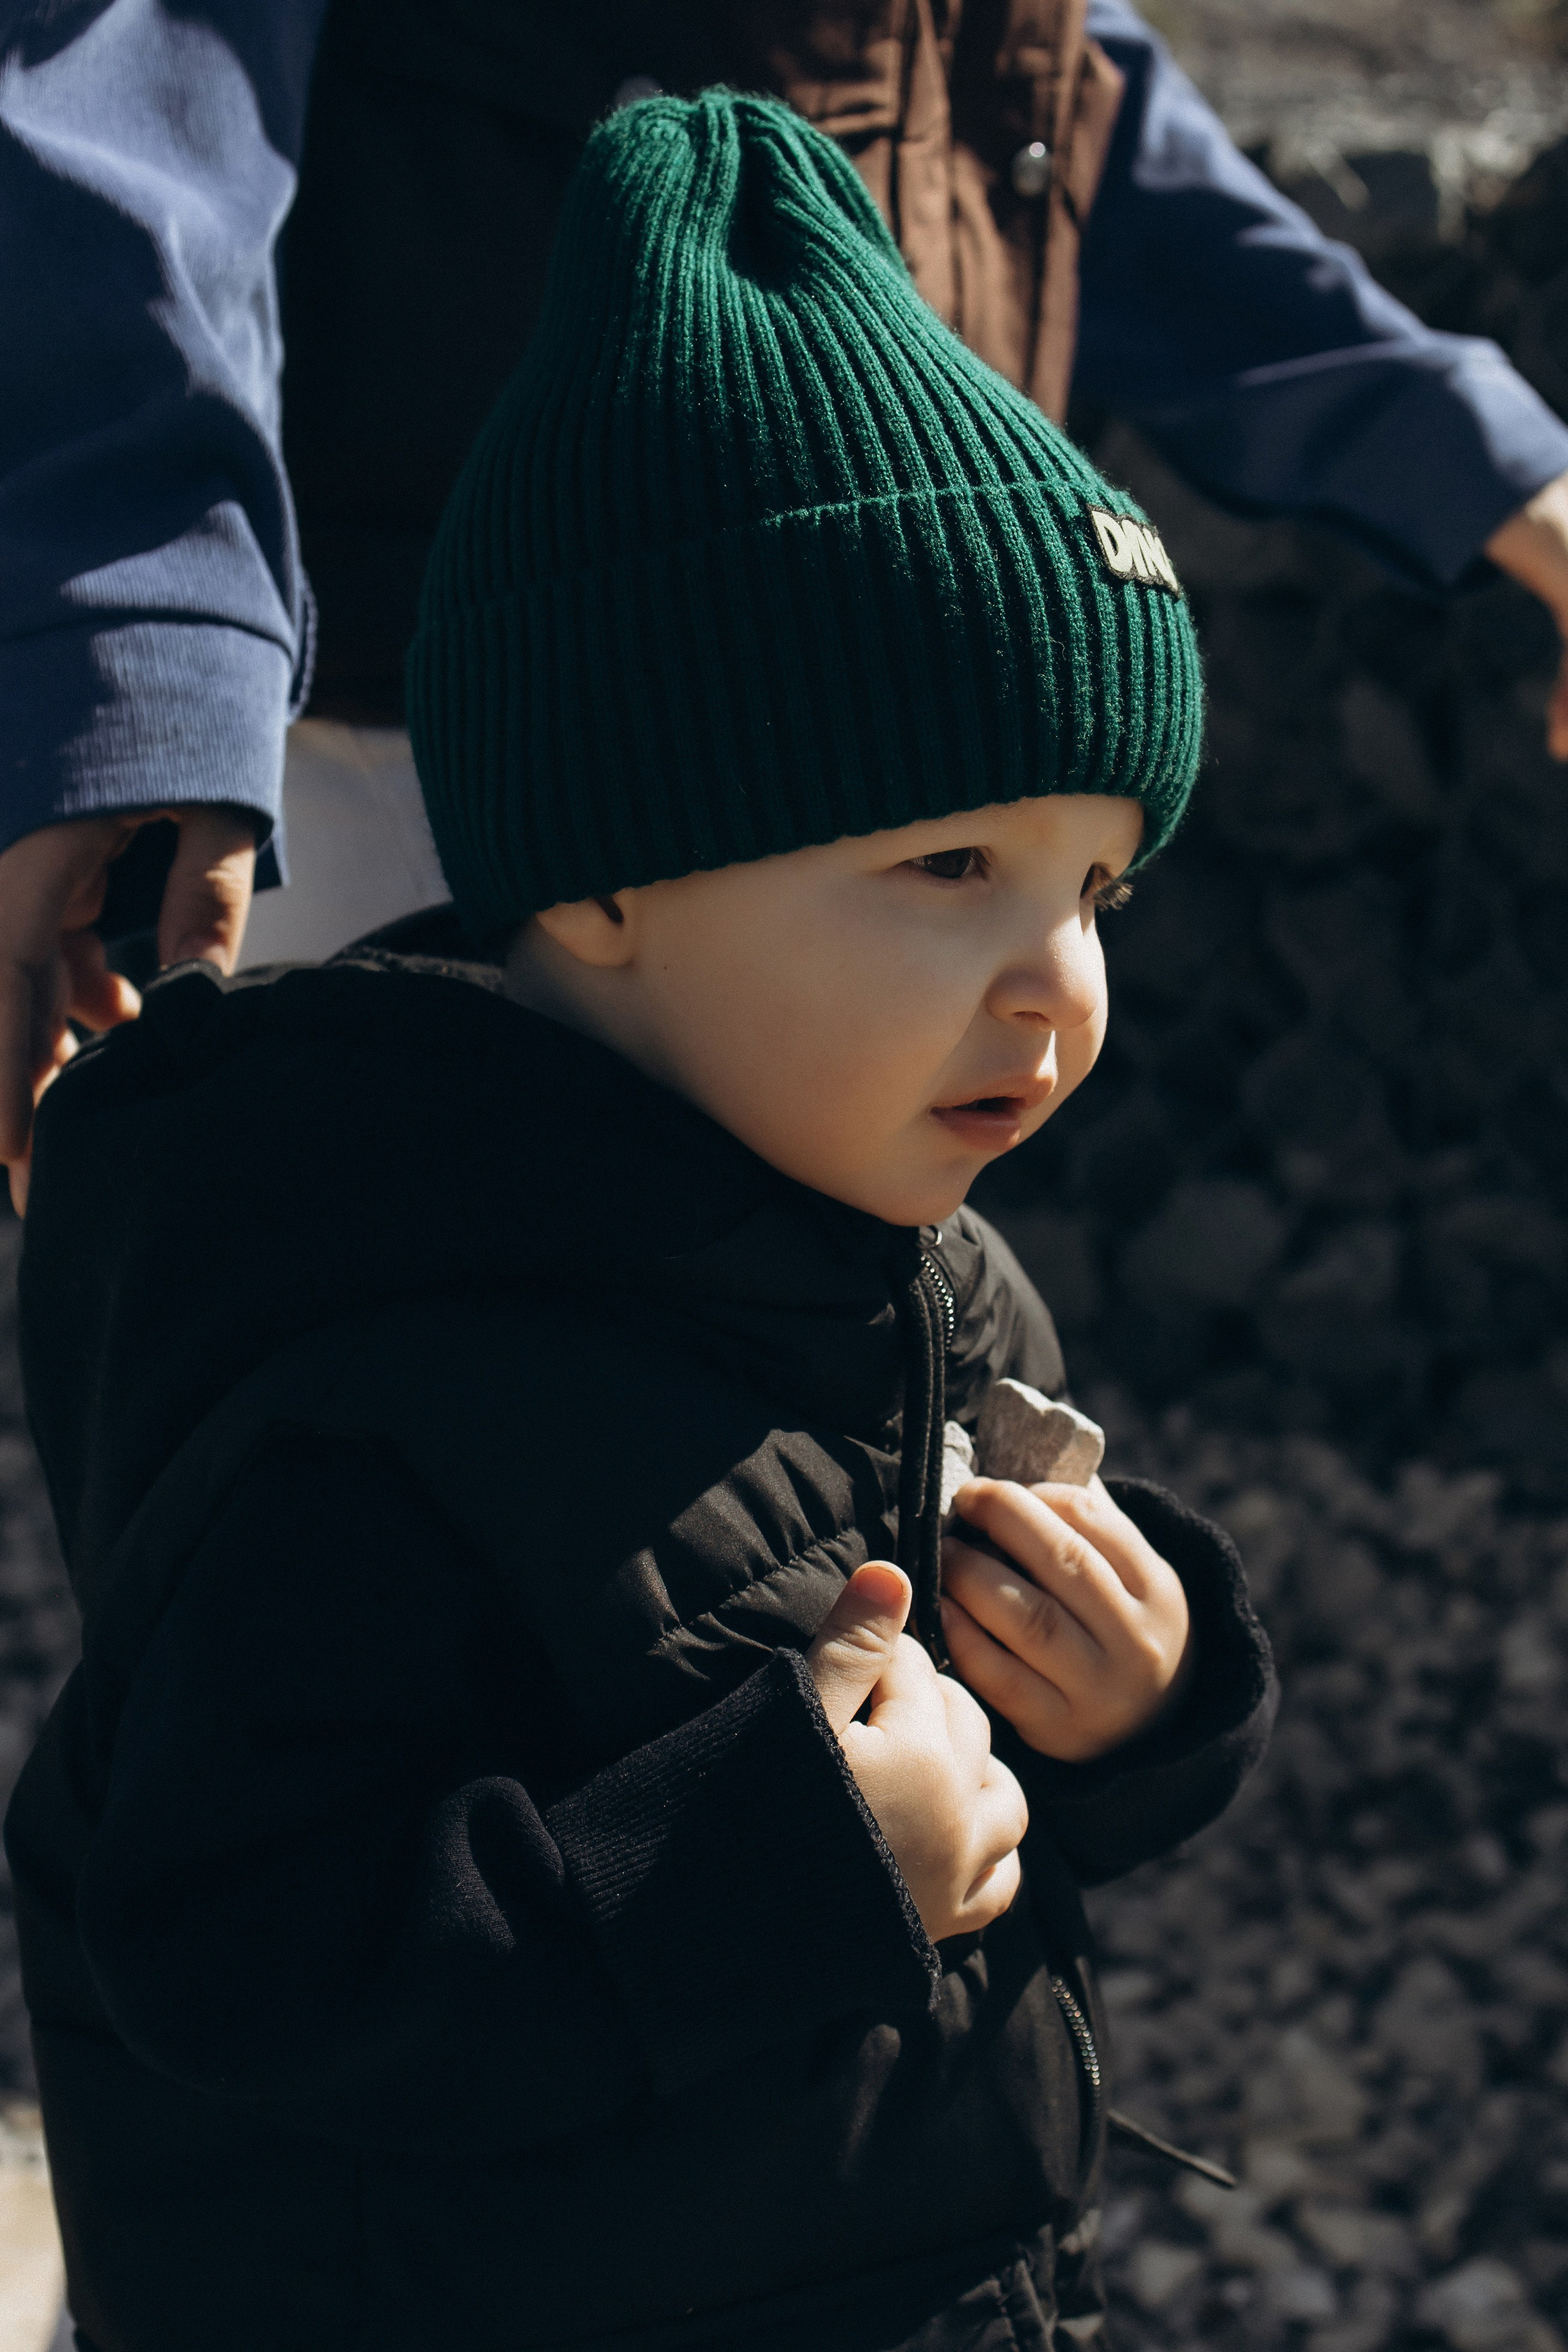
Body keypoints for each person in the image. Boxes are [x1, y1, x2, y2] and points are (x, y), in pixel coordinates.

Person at [6, 95, 1275, 2350]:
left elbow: (965, 1816)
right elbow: (236, 1960)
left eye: (1098, 887)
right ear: (602, 877)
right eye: (950, 868)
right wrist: (782, 1866)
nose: (1060, 983)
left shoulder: (928, 1278)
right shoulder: (377, 1371)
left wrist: (1136, 1708)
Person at [4, 1, 1568, 1212]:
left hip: (878, 768)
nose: (1073, 986)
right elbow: (131, 84)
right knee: (420, 1388)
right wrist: (142, 645)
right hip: (440, 750)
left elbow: (1050, 97)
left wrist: (1488, 462)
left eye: (1106, 896)